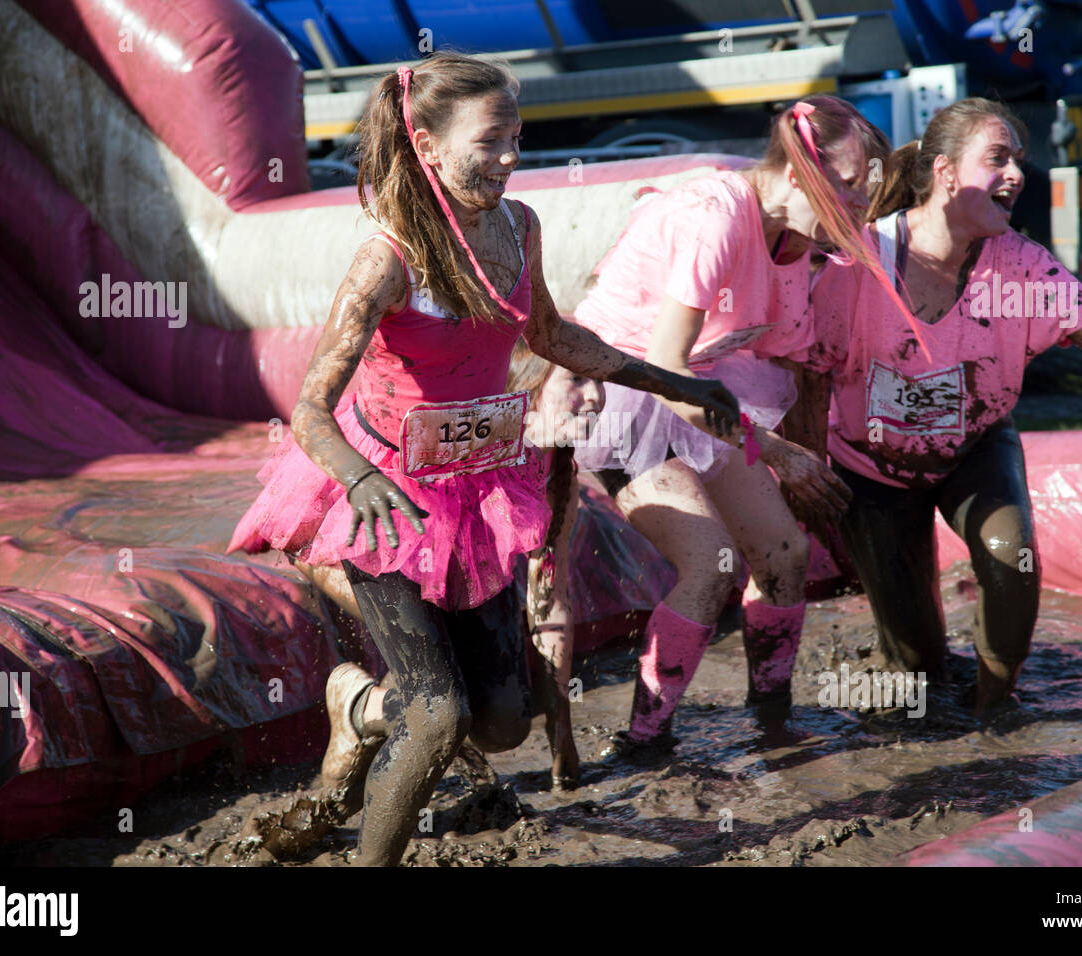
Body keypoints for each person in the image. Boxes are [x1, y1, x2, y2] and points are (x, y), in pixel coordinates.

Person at [225, 51, 739, 865]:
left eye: (517, 138)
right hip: (387, 495)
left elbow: (552, 337)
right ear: (426, 145)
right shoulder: (386, 259)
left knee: (503, 722)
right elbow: (311, 407)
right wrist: (358, 479)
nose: (510, 158)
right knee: (438, 718)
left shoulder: (520, 228)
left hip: (481, 492)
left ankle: (356, 706)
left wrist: (671, 381)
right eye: (491, 140)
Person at [798, 97, 1082, 716]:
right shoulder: (857, 264)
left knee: (1011, 559)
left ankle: (995, 713)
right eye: (997, 158)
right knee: (916, 663)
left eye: (1019, 161)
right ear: (944, 171)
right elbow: (807, 370)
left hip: (975, 448)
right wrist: (807, 470)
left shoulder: (1019, 266)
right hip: (870, 471)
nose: (1017, 175)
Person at [570, 95, 894, 754]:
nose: (863, 208)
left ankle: (771, 718)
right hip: (619, 392)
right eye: (854, 186)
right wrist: (779, 455)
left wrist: (811, 463)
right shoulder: (715, 219)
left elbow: (798, 364)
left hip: (704, 389)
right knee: (710, 562)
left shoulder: (799, 242)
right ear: (803, 170)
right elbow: (663, 365)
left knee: (786, 554)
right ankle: (643, 741)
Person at [506, 339, 603, 789]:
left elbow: (550, 599)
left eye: (601, 381)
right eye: (578, 379)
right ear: (531, 387)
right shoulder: (493, 457)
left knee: (506, 718)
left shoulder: (557, 468)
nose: (597, 397)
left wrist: (560, 731)